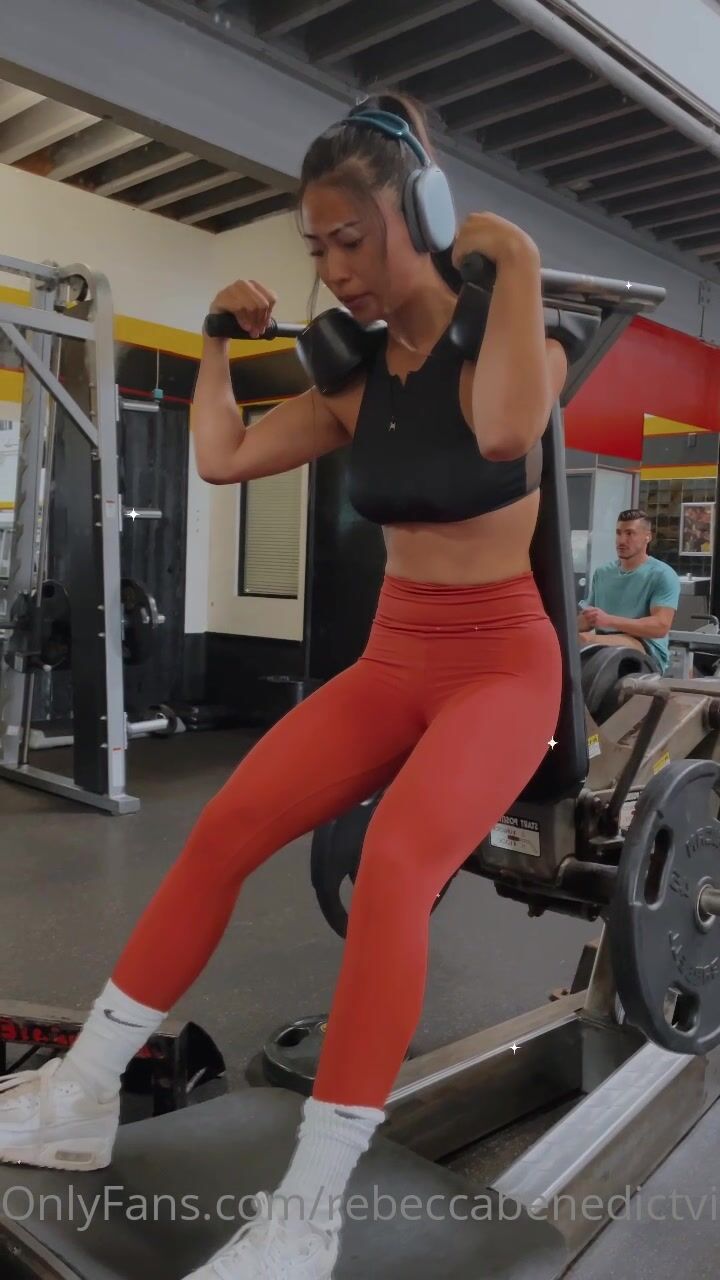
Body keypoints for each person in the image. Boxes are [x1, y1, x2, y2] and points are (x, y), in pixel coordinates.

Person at [0, 93, 567, 1279]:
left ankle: (306, 1213)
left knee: (397, 862)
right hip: (394, 657)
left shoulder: (514, 336)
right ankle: (83, 1090)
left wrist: (511, 256)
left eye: (351, 238)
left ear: (424, 213)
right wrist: (214, 340)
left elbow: (508, 430)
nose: (334, 269)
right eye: (317, 247)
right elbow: (223, 455)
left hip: (500, 665)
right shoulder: (358, 379)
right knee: (224, 829)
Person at [578, 509, 680, 673]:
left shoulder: (662, 575)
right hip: (603, 644)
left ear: (647, 537)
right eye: (618, 533)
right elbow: (587, 620)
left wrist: (608, 620)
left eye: (630, 533)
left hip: (644, 649)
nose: (621, 540)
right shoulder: (602, 573)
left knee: (585, 640)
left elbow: (661, 626)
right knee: (569, 641)